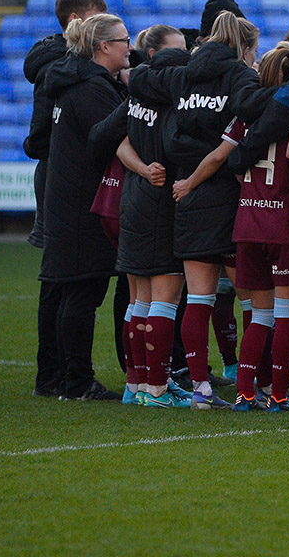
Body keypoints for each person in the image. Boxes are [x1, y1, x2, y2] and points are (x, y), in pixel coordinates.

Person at [128, 10, 272, 408]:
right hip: (228, 195)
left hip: (187, 195)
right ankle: (251, 386)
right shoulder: (241, 78)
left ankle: (200, 389)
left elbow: (138, 78)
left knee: (199, 299)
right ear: (244, 47)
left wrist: (187, 153)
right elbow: (246, 130)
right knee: (251, 300)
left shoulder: (182, 75)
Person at [96, 33, 193, 408]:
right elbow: (173, 147)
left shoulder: (136, 96)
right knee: (164, 300)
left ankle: (135, 385)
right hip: (159, 205)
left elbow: (116, 140)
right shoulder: (170, 103)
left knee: (138, 299)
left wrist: (139, 168)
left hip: (133, 199)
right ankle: (158, 388)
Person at [41, 13, 131, 401]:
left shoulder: (71, 81)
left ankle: (61, 378)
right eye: (124, 40)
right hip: (84, 202)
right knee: (83, 292)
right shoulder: (92, 89)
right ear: (103, 47)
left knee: (70, 291)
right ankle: (77, 381)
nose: (130, 46)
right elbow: (107, 139)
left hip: (66, 199)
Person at [24, 0, 108, 398]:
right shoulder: (67, 72)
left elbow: (37, 138)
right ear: (77, 22)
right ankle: (60, 376)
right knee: (65, 282)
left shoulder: (56, 68)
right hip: (66, 182)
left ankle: (52, 376)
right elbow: (38, 139)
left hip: (57, 178)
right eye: (96, 18)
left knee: (57, 282)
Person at [220, 45, 289, 412]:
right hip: (284, 225)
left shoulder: (244, 115)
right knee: (287, 314)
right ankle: (278, 394)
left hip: (247, 221)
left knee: (259, 315)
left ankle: (245, 393)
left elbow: (226, 155)